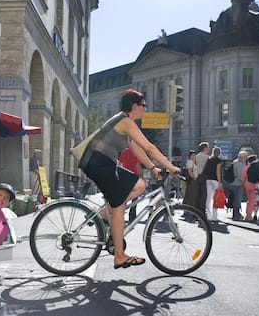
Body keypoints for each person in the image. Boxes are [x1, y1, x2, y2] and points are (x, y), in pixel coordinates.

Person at [81, 89, 180, 269]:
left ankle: (105, 213)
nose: (145, 109)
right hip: (99, 163)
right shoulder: (125, 122)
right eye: (144, 106)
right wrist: (171, 167)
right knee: (119, 205)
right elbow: (149, 147)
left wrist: (153, 168)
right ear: (134, 106)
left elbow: (137, 149)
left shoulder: (125, 122)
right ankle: (119, 255)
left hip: (102, 163)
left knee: (139, 184)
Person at [118, 146, 141, 222]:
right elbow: (138, 166)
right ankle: (132, 216)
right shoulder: (137, 152)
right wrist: (141, 177)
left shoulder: (124, 152)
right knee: (134, 199)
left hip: (125, 177)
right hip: (135, 178)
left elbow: (120, 165)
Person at [203, 146, 222, 223]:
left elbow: (205, 170)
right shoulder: (218, 160)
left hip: (208, 180)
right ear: (219, 153)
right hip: (215, 180)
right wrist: (220, 182)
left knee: (209, 198)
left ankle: (208, 216)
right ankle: (215, 216)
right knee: (216, 198)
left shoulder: (209, 159)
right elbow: (218, 171)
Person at [229, 150, 248, 220]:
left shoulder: (235, 162)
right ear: (243, 157)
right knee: (237, 200)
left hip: (232, 183)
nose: (247, 158)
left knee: (234, 199)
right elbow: (241, 176)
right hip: (238, 184)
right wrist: (243, 185)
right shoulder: (241, 164)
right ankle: (236, 214)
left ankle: (235, 213)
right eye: (246, 156)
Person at [241, 154, 259, 221]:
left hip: (247, 184)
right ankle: (249, 215)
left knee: (249, 200)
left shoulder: (247, 166)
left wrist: (242, 185)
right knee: (252, 200)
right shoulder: (257, 166)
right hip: (254, 184)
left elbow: (242, 177)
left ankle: (247, 215)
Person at [194, 142, 210, 215]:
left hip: (197, 176)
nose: (209, 149)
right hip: (204, 176)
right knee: (204, 195)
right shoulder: (207, 157)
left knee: (198, 194)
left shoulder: (196, 157)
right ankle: (202, 211)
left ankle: (196, 211)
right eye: (208, 147)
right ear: (205, 148)